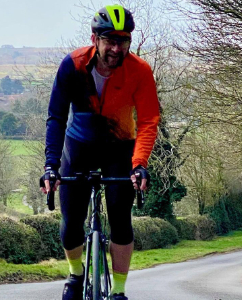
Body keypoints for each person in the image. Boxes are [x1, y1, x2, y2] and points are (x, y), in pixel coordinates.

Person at [40, 4, 160, 300]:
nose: (117, 49)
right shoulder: (73, 65)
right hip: (79, 145)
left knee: (121, 218)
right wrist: (51, 166)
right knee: (71, 221)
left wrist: (139, 164)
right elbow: (56, 116)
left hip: (120, 148)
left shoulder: (140, 71)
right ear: (95, 38)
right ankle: (75, 273)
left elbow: (148, 121)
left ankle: (118, 290)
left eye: (124, 41)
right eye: (110, 41)